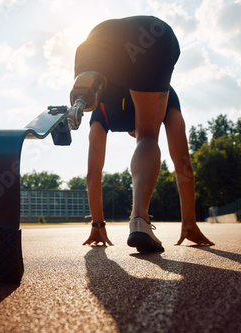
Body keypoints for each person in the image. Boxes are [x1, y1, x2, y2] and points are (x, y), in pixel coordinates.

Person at [70, 16, 214, 251]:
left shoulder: (102, 114)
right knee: (148, 136)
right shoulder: (167, 99)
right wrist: (189, 221)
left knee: (98, 86)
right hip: (152, 32)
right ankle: (139, 219)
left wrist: (97, 223)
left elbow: (93, 171)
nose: (132, 135)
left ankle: (89, 83)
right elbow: (182, 163)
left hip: (98, 39)